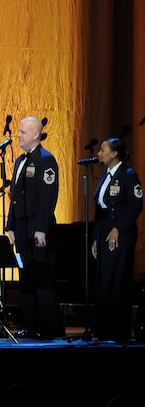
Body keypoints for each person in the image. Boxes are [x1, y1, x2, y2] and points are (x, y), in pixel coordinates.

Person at [6, 116, 61, 339]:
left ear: (35, 135)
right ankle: (30, 324)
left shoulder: (46, 160)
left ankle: (48, 326)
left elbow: (48, 197)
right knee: (26, 277)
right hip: (21, 227)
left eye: (22, 131)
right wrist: (10, 225)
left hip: (37, 228)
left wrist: (41, 228)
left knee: (42, 277)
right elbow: (15, 195)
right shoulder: (20, 161)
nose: (18, 135)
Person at [89, 137, 142, 342]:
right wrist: (96, 236)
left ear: (114, 154)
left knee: (118, 278)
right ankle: (102, 326)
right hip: (103, 232)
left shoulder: (128, 175)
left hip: (121, 233)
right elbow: (99, 210)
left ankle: (117, 329)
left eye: (103, 150)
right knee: (104, 279)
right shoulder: (104, 176)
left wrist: (118, 228)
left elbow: (136, 204)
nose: (99, 153)